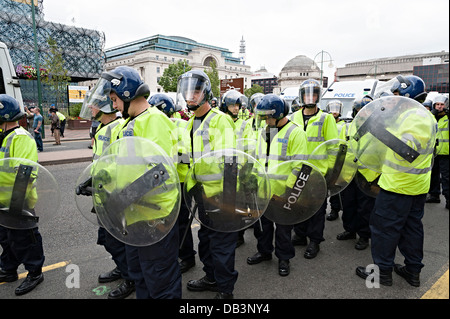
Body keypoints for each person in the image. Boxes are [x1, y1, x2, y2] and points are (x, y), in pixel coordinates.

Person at [94, 66, 181, 299]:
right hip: (133, 214)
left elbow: (158, 173)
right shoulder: (126, 124)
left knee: (160, 280)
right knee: (140, 275)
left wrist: (122, 197)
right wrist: (98, 178)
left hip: (154, 216)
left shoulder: (154, 120)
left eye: (114, 99)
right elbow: (121, 163)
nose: (113, 105)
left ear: (125, 93)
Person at [356, 75, 435, 287]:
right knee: (411, 229)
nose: (394, 99)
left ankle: (381, 273)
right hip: (414, 186)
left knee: (384, 229)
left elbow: (408, 152)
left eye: (397, 94)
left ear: (407, 94)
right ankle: (412, 271)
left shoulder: (415, 116)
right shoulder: (419, 116)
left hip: (399, 186)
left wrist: (379, 131)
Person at [177, 70, 237, 299]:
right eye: (187, 91)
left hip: (220, 193)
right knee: (206, 239)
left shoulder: (220, 120)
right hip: (201, 193)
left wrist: (229, 197)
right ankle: (212, 277)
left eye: (196, 91)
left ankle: (225, 288)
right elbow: (188, 157)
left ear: (206, 93)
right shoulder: (189, 123)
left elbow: (230, 159)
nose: (190, 96)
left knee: (221, 242)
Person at [77, 89, 132, 299]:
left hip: (115, 195)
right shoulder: (102, 128)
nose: (91, 108)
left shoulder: (118, 127)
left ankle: (130, 277)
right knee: (108, 240)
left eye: (94, 104)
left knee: (116, 240)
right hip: (103, 193)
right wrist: (90, 180)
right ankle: (122, 267)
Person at [246, 94, 308, 276]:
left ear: (279, 114)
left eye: (267, 116)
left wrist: (289, 190)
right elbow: (258, 159)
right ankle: (264, 252)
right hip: (263, 188)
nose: (265, 120)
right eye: (262, 117)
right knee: (262, 225)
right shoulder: (264, 131)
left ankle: (284, 258)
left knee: (283, 228)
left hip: (283, 190)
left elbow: (300, 165)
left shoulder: (295, 132)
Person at [0, 94, 45, 296]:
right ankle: (8, 269)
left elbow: (26, 173)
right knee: (6, 237)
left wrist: (17, 204)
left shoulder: (21, 137)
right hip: (2, 199)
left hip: (18, 199)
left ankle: (35, 272)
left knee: (25, 237)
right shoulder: (4, 136)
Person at [290, 79, 338, 259]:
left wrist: (331, 173)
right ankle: (300, 235)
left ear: (319, 96)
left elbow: (333, 147)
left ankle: (315, 241)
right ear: (301, 96)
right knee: (299, 205)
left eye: (314, 94)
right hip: (297, 170)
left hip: (318, 172)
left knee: (317, 209)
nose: (310, 97)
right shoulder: (293, 117)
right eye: (307, 94)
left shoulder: (326, 118)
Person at [148, 93, 197, 273]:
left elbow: (185, 154)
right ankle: (177, 253)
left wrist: (168, 158)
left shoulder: (179, 126)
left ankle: (187, 256)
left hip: (181, 181)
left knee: (181, 222)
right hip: (167, 181)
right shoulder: (155, 125)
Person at [336, 96, 378, 250]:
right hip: (349, 171)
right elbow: (341, 148)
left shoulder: (378, 128)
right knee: (348, 204)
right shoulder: (348, 127)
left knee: (365, 207)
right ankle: (350, 230)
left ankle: (364, 235)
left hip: (367, 173)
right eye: (360, 111)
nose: (363, 114)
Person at [426, 94, 449, 209]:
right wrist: (431, 116)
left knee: (446, 177)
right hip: (433, 151)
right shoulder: (430, 116)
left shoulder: (447, 117)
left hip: (446, 152)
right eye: (437, 104)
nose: (439, 107)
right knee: (433, 175)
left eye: (442, 104)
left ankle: (448, 198)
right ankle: (434, 195)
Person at [324, 99, 345, 221]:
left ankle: (334, 209)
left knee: (335, 188)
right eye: (332, 109)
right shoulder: (326, 122)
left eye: (336, 109)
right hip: (326, 159)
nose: (334, 112)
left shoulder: (343, 125)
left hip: (338, 160)